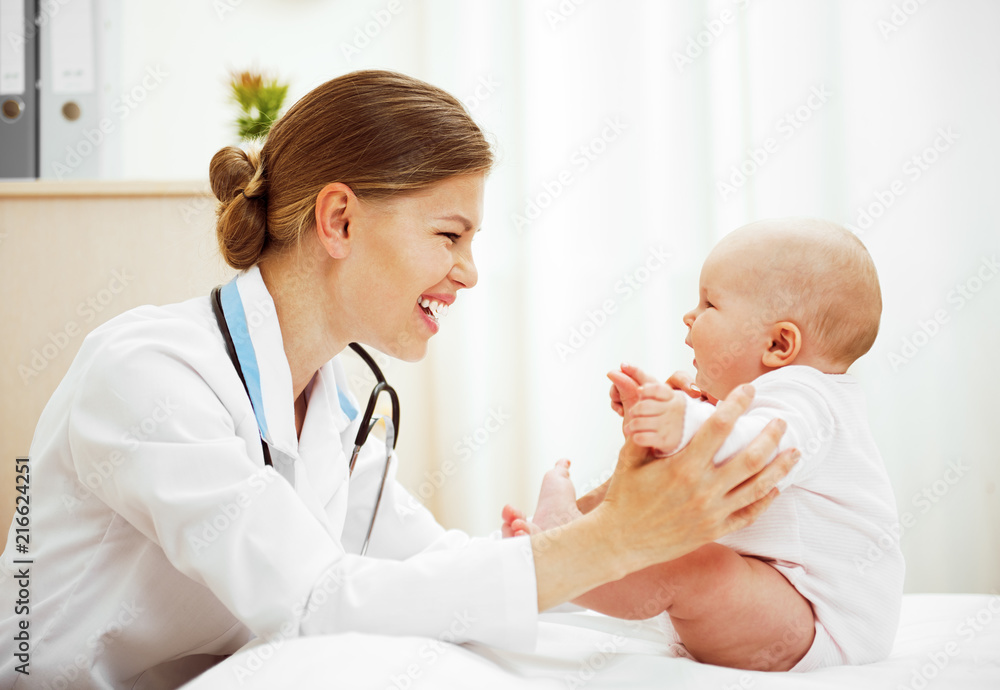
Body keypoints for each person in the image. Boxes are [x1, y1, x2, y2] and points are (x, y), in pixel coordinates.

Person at [0, 71, 797, 689]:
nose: (469, 272)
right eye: (449, 235)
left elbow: (427, 567)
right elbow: (315, 602)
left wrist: (610, 519)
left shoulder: (336, 404)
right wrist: (619, 538)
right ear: (339, 220)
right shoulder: (149, 374)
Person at [503, 218, 905, 672]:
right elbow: (708, 467)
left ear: (779, 344)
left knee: (696, 565)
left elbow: (757, 452)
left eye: (709, 302)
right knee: (673, 548)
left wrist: (681, 421)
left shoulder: (810, 398)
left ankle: (555, 554)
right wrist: (659, 419)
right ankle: (559, 552)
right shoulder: (768, 402)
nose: (689, 316)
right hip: (772, 602)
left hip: (818, 624)